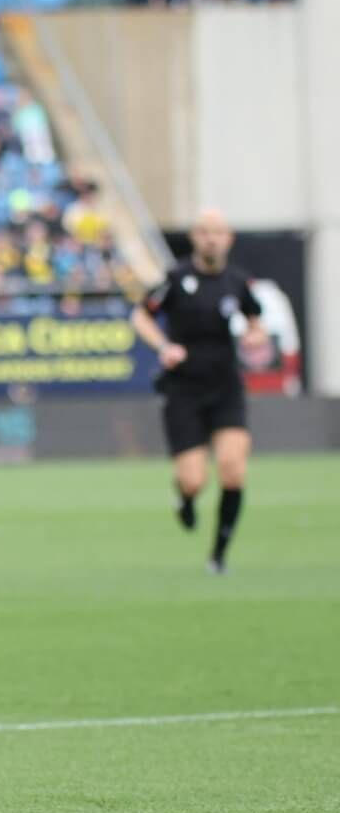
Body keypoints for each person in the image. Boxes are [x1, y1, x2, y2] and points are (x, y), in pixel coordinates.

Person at [131, 209, 269, 574]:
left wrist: (256, 335)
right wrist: (163, 347)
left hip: (225, 387)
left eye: (218, 232)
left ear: (229, 238)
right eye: (205, 231)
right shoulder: (176, 279)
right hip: (184, 391)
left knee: (233, 471)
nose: (211, 238)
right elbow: (141, 315)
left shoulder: (238, 282)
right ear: (194, 236)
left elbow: (256, 322)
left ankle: (218, 556)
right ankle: (184, 497)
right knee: (194, 479)